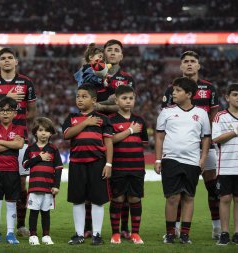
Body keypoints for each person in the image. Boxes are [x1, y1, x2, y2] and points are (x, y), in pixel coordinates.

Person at [162, 50, 221, 239]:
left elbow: (214, 118)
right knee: (178, 191)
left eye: (192, 61)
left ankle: (217, 228)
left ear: (198, 65)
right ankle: (176, 229)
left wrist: (211, 141)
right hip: (180, 148)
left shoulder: (209, 89)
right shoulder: (171, 90)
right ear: (180, 66)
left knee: (213, 188)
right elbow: (166, 119)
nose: (189, 64)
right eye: (185, 61)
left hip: (206, 146)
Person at [0, 47, 36, 238]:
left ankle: (20, 225)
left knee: (20, 182)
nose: (7, 61)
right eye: (3, 58)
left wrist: (18, 127)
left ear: (16, 62)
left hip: (20, 137)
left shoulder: (26, 83)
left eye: (11, 58)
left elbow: (32, 112)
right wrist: (7, 99)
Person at [83, 39, 136, 239]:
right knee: (92, 181)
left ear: (121, 56)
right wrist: (110, 103)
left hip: (119, 129)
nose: (113, 53)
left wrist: (102, 105)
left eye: (117, 50)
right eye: (109, 50)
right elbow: (86, 102)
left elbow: (126, 106)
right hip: (95, 129)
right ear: (104, 54)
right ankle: (88, 227)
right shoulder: (90, 74)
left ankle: (123, 228)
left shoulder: (127, 78)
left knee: (122, 185)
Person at [155, 77, 211, 244]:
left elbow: (206, 138)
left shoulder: (201, 114)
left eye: (178, 90)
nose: (174, 93)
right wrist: (158, 160)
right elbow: (159, 137)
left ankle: (185, 234)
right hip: (170, 159)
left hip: (192, 161)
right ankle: (170, 233)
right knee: (172, 198)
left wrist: (203, 159)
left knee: (188, 197)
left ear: (188, 94)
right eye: (174, 90)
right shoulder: (166, 112)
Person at [62, 83, 113, 245]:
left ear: (94, 100)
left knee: (98, 200)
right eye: (78, 96)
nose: (80, 99)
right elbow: (67, 134)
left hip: (97, 163)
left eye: (84, 96)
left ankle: (97, 234)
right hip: (77, 163)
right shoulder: (71, 118)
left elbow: (109, 143)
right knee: (78, 200)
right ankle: (79, 234)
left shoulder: (103, 119)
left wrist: (109, 164)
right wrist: (85, 123)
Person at [108, 85, 148, 245]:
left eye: (131, 98)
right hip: (118, 167)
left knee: (135, 199)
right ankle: (115, 233)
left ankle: (135, 233)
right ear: (116, 100)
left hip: (137, 167)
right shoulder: (111, 120)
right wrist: (130, 131)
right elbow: (109, 140)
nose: (128, 101)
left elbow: (143, 142)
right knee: (117, 198)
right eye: (124, 98)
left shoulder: (140, 120)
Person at [0, 97, 25, 245]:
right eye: (2, 110)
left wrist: (0, 141)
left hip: (12, 170)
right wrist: (11, 144)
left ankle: (10, 233)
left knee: (11, 203)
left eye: (9, 110)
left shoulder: (20, 128)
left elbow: (20, 145)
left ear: (15, 113)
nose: (5, 113)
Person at [22, 117, 63, 245]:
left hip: (48, 187)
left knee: (46, 213)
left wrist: (56, 186)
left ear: (51, 133)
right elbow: (25, 165)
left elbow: (59, 168)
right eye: (40, 130)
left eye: (46, 130)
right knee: (33, 212)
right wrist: (39, 157)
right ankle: (33, 236)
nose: (43, 133)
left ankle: (46, 236)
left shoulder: (53, 149)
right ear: (35, 132)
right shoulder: (30, 149)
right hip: (34, 187)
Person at [212, 83, 238, 246]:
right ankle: (224, 232)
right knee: (225, 198)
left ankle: (237, 233)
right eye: (235, 94)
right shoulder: (220, 116)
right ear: (227, 97)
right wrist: (236, 131)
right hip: (226, 166)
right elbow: (216, 139)